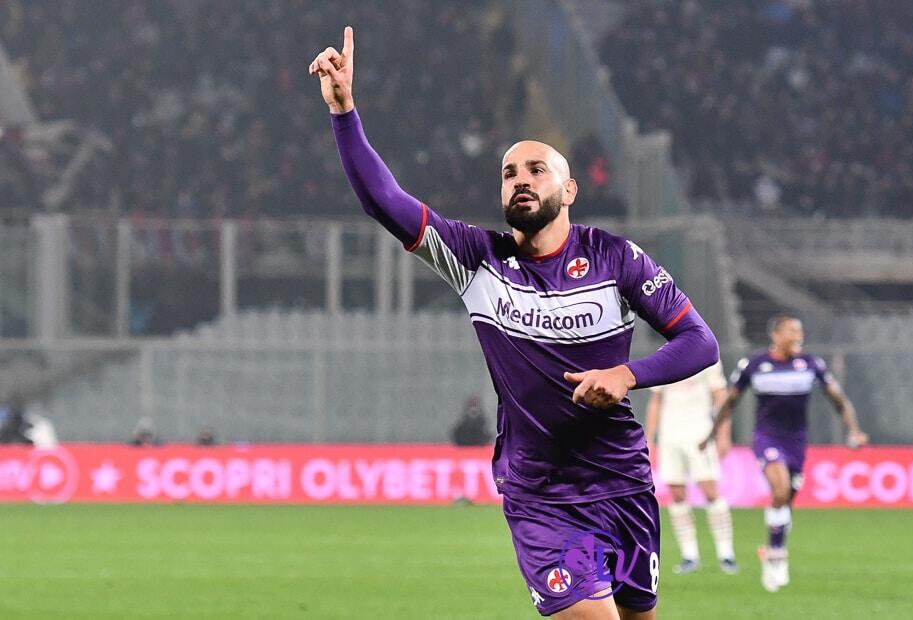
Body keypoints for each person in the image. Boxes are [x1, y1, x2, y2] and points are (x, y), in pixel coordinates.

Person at [310, 27, 719, 619]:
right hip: (542, 495)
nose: (521, 179)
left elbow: (699, 342)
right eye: (509, 173)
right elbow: (384, 200)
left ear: (569, 188)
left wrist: (627, 375)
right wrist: (346, 112)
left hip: (624, 482)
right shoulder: (476, 260)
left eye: (536, 169)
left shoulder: (616, 258)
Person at [702, 316, 868, 593]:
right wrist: (712, 434)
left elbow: (838, 399)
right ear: (776, 335)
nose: (797, 337)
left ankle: (771, 548)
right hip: (767, 438)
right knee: (779, 492)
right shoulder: (755, 365)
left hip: (797, 442)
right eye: (792, 332)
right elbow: (731, 401)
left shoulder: (811, 364)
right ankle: (777, 556)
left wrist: (854, 430)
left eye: (800, 332)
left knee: (786, 502)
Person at [644, 362, 737, 575]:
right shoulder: (664, 358)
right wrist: (649, 437)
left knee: (710, 491)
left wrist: (723, 434)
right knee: (676, 494)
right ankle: (689, 555)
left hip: (700, 434)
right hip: (670, 436)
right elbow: (656, 400)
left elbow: (720, 397)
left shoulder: (705, 358)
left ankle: (726, 554)